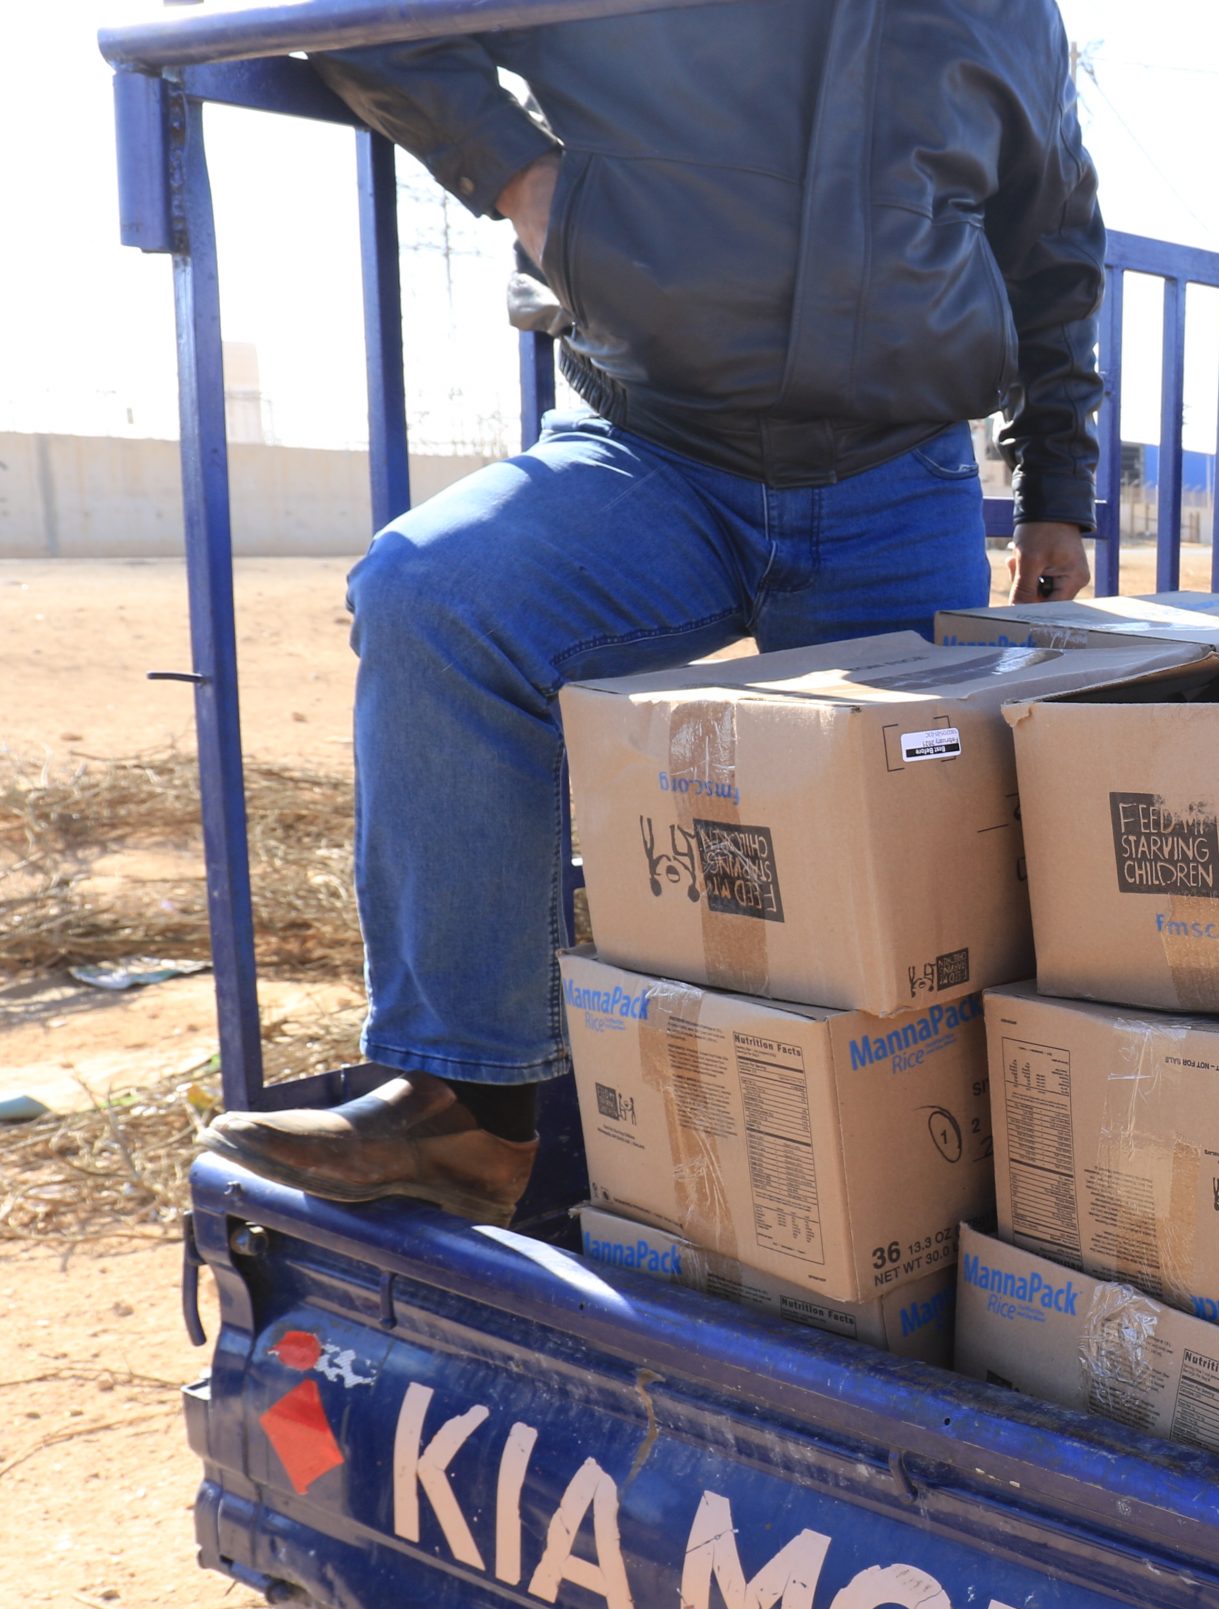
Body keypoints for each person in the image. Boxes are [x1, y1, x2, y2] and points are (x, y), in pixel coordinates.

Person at [198, 1, 1104, 1225]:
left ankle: (934, 1182)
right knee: (439, 596)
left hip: (899, 472)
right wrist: (520, 180)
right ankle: (467, 1108)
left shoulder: (1008, 14)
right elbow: (371, 21)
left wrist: (1057, 489)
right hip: (650, 447)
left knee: (928, 813)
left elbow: (1051, 242)